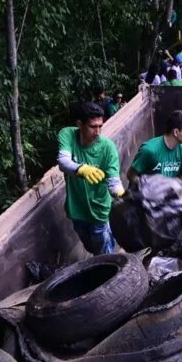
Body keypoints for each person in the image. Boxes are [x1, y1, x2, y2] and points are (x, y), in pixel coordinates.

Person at [57, 102, 124, 254]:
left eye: (101, 126)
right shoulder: (68, 134)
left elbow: (114, 182)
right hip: (76, 209)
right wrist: (81, 169)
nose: (98, 131)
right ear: (80, 124)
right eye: (93, 127)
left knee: (103, 253)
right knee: (90, 247)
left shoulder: (108, 148)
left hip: (99, 211)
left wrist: (122, 195)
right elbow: (63, 161)